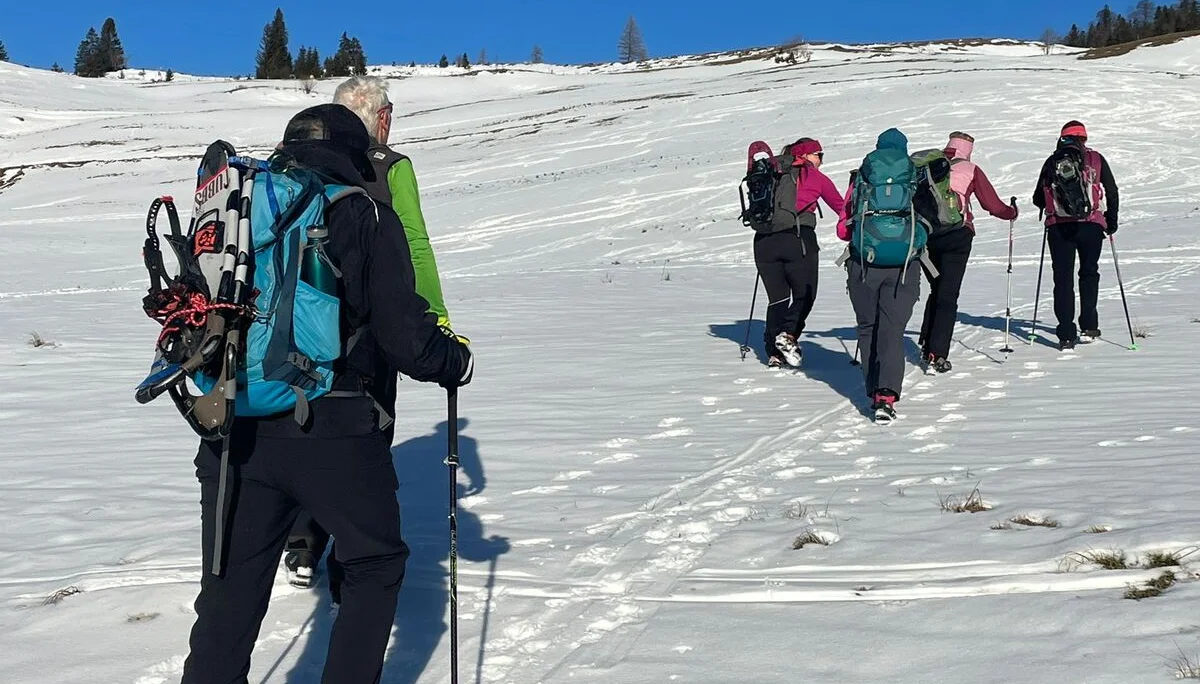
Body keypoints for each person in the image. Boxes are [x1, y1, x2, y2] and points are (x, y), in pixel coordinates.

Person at [180, 103, 473, 684]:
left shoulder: (240, 212)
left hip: (231, 425)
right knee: (375, 562)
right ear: (356, 154)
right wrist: (453, 361)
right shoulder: (361, 212)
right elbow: (404, 337)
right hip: (331, 428)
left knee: (230, 589)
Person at [283, 75, 460, 593]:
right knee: (370, 428)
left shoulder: (295, 164)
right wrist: (436, 317)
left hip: (298, 326)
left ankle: (301, 544)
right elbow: (415, 245)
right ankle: (351, 564)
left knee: (302, 417)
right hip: (371, 328)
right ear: (382, 117)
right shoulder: (391, 167)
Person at [837, 128, 925, 423]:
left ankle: (872, 390)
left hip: (864, 263)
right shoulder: (915, 178)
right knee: (892, 330)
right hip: (904, 265)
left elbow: (842, 229)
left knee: (867, 327)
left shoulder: (861, 177)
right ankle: (886, 396)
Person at [918, 131, 1018, 373]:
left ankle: (926, 344)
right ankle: (937, 354)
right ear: (968, 149)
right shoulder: (970, 168)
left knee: (936, 288)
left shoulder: (926, 167)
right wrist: (1012, 213)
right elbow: (992, 204)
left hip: (926, 235)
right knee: (948, 294)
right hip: (957, 236)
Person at [754, 137, 845, 368]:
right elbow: (842, 208)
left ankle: (774, 353)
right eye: (819, 155)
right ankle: (788, 335)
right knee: (805, 294)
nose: (821, 161)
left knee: (778, 299)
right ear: (805, 155)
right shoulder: (814, 177)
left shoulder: (769, 171)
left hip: (763, 242)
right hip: (797, 239)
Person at [1031, 120, 1119, 350]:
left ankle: (1066, 333)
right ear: (1084, 138)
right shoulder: (1096, 159)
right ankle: (1089, 325)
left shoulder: (1052, 161)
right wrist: (1111, 220)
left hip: (1058, 227)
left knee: (1062, 278)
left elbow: (1037, 198)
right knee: (1089, 272)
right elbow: (1112, 190)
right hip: (1091, 225)